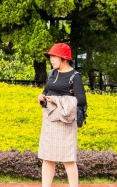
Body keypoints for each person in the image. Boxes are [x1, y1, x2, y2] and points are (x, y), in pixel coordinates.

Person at [38, 43, 86, 187]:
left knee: (68, 158)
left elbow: (81, 100)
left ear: (64, 58)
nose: (51, 59)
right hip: (50, 118)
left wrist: (58, 101)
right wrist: (42, 97)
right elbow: (47, 91)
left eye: (54, 56)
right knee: (47, 157)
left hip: (66, 120)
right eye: (50, 56)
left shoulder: (75, 76)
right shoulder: (52, 73)